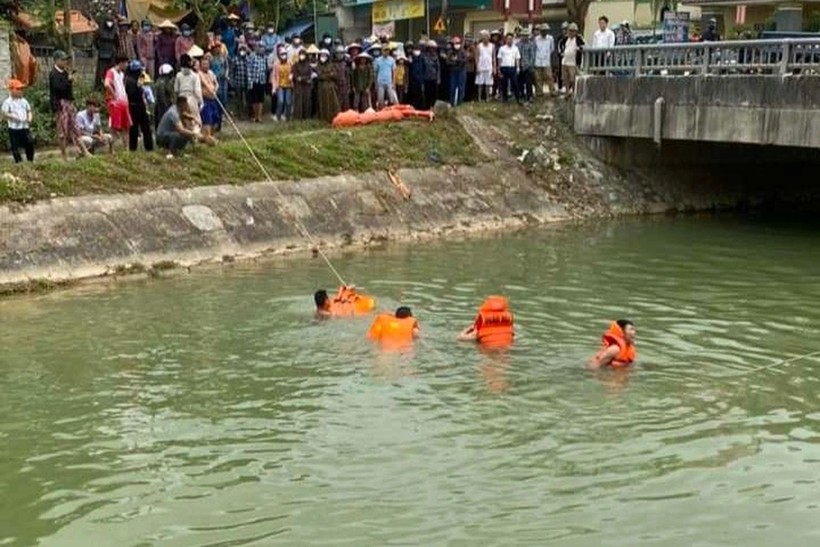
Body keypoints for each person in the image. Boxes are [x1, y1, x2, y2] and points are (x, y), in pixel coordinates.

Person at [49, 50, 89, 159]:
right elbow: (58, 89)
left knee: (75, 128)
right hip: (60, 104)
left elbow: (68, 89)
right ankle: (64, 156)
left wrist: (70, 81)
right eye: (63, 60)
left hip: (69, 102)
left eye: (66, 60)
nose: (65, 62)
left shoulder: (65, 73)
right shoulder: (53, 74)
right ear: (56, 60)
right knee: (62, 132)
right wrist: (69, 81)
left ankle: (85, 151)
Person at [2, 79, 34, 163]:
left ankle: (30, 160)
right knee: (15, 147)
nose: (20, 91)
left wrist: (29, 117)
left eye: (21, 89)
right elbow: (5, 113)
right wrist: (13, 117)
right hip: (14, 128)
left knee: (29, 143)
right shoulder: (7, 102)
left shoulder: (24, 101)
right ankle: (18, 162)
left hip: (24, 127)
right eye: (18, 89)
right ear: (11, 90)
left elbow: (29, 110)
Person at [174, 54, 202, 131]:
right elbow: (197, 91)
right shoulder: (195, 76)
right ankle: (195, 134)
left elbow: (176, 90)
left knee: (183, 119)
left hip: (181, 99)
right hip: (192, 99)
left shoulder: (178, 75)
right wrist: (200, 102)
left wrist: (176, 102)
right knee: (194, 119)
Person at [316, 49, 341, 122]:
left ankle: (334, 118)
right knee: (323, 103)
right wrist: (328, 75)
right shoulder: (318, 66)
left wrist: (326, 75)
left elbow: (335, 75)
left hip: (331, 88)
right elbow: (319, 76)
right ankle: (324, 118)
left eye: (324, 56)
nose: (323, 57)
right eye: (321, 55)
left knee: (333, 103)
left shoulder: (331, 65)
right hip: (322, 87)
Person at [199, 57, 220, 139]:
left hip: (213, 99)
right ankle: (207, 137)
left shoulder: (211, 73)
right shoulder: (199, 74)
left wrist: (215, 89)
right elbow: (204, 83)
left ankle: (212, 136)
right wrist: (209, 89)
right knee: (207, 119)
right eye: (204, 64)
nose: (205, 66)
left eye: (207, 64)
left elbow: (216, 83)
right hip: (205, 100)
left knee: (215, 119)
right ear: (201, 65)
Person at [93, 17, 118, 89]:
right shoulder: (100, 30)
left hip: (111, 53)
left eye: (111, 22)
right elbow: (95, 40)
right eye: (108, 22)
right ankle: (99, 86)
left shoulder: (115, 31)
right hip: (102, 52)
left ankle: (110, 85)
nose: (109, 24)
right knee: (100, 71)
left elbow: (117, 42)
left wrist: (114, 49)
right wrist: (99, 47)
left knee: (110, 70)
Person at [496, 33, 521, 103]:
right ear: (506, 40)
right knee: (504, 84)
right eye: (508, 39)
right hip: (504, 67)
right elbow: (499, 59)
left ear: (513, 40)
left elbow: (517, 58)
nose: (509, 40)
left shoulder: (515, 48)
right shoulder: (502, 48)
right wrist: (499, 69)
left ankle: (517, 98)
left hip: (512, 67)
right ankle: (505, 98)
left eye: (511, 39)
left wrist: (518, 67)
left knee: (515, 83)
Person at [560, 23, 584, 95]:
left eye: (573, 31)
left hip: (573, 62)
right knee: (565, 78)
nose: (571, 33)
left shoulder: (578, 39)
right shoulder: (565, 39)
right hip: (565, 61)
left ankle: (574, 92)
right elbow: (560, 46)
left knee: (573, 79)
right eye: (570, 31)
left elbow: (584, 46)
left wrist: (579, 48)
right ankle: (567, 92)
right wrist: (561, 52)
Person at [247, 45, 269, 122]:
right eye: (260, 48)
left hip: (262, 81)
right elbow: (249, 69)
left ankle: (259, 116)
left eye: (263, 48)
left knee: (261, 99)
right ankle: (255, 115)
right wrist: (250, 81)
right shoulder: (252, 56)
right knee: (254, 99)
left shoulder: (265, 58)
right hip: (254, 81)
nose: (262, 50)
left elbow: (266, 69)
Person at [270, 47, 292, 121]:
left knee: (288, 102)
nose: (284, 55)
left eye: (285, 54)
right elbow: (273, 76)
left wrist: (291, 75)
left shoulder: (289, 62)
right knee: (281, 101)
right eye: (282, 54)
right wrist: (273, 88)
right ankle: (278, 116)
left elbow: (293, 71)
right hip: (279, 85)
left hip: (288, 84)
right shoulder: (276, 64)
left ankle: (286, 116)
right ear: (279, 55)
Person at [292, 47, 314, 119]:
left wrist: (302, 78)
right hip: (299, 86)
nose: (302, 56)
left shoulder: (308, 65)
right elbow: (295, 75)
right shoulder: (296, 65)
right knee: (298, 101)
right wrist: (302, 79)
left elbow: (310, 75)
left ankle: (307, 117)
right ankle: (298, 117)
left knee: (307, 101)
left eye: (303, 54)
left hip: (307, 86)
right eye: (300, 54)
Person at [534, 24, 555, 97]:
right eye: (543, 31)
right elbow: (534, 49)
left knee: (549, 76)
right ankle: (539, 92)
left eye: (546, 31)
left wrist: (546, 54)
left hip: (546, 61)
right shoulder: (536, 39)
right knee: (538, 78)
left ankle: (552, 91)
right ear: (540, 31)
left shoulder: (550, 38)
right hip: (538, 60)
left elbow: (552, 49)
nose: (544, 32)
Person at [374, 44, 398, 109]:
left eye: (387, 50)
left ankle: (392, 111)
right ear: (382, 51)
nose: (386, 51)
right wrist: (376, 84)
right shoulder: (377, 60)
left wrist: (394, 82)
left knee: (392, 98)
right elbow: (375, 73)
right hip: (380, 82)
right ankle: (381, 111)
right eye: (385, 50)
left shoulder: (392, 60)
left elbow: (394, 72)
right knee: (380, 99)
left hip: (389, 82)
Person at [445, 36, 467, 107]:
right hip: (453, 72)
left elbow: (464, 61)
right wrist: (456, 62)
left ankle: (459, 103)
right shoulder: (450, 52)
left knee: (461, 88)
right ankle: (452, 102)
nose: (456, 45)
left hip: (461, 71)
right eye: (455, 43)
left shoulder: (463, 51)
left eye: (458, 43)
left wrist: (456, 60)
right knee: (452, 88)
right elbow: (448, 62)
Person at [475, 30, 495, 102]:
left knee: (488, 84)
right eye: (484, 36)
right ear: (482, 38)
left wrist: (494, 68)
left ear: (489, 37)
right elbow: (477, 57)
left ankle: (487, 98)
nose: (486, 38)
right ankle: (479, 98)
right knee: (480, 84)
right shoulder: (479, 46)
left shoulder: (492, 46)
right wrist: (477, 67)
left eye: (487, 36)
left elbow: (493, 57)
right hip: (481, 67)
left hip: (489, 67)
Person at [153, 63, 175, 129]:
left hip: (159, 106)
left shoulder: (158, 81)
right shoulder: (164, 82)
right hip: (164, 106)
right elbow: (162, 96)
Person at [517, 28, 536, 102]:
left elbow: (532, 56)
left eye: (526, 35)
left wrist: (530, 65)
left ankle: (529, 96)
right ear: (521, 35)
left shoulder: (531, 44)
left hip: (528, 66)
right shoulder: (517, 44)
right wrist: (518, 65)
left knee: (529, 82)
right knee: (520, 82)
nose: (525, 37)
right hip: (519, 66)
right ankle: (521, 96)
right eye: (523, 35)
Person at [422, 40, 440, 110]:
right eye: (430, 48)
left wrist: (438, 78)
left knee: (434, 94)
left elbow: (438, 68)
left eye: (433, 48)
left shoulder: (436, 57)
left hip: (434, 78)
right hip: (426, 78)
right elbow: (422, 68)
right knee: (427, 94)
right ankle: (426, 108)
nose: (432, 49)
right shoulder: (424, 56)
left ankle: (433, 107)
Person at [332, 44, 351, 111]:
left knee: (346, 102)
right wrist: (334, 85)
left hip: (344, 85)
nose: (340, 55)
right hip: (337, 85)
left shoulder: (345, 64)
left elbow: (347, 76)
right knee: (337, 102)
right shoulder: (333, 64)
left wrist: (348, 86)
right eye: (338, 53)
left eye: (341, 53)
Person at [407, 44, 425, 109]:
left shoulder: (422, 57)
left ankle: (420, 107)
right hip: (413, 79)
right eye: (415, 49)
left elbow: (424, 68)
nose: (416, 51)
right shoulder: (411, 57)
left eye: (418, 49)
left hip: (420, 79)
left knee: (420, 93)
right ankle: (414, 106)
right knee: (414, 93)